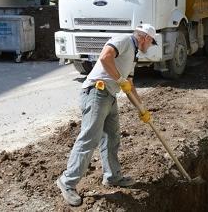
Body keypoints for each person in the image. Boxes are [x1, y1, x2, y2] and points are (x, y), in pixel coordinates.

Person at [56, 24, 157, 206]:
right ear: (144, 38)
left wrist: (142, 109)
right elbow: (105, 57)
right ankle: (67, 182)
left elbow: (129, 85)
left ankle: (112, 176)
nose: (150, 46)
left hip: (109, 96)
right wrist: (119, 80)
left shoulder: (133, 54)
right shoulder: (124, 40)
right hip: (96, 92)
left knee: (112, 137)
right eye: (151, 42)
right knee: (89, 138)